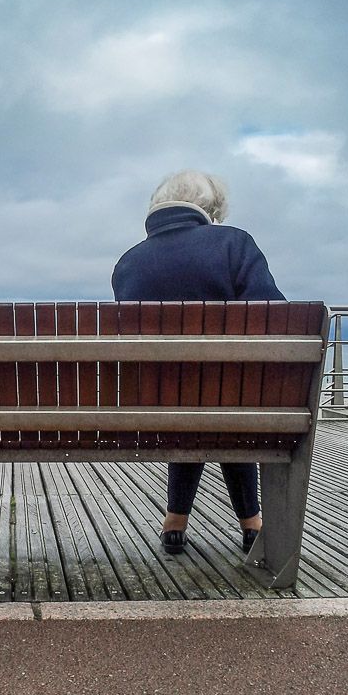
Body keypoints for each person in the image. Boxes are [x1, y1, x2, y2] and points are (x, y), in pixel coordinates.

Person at [111, 169, 286, 556]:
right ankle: (251, 524)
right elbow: (276, 318)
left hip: (156, 409)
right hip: (232, 403)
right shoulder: (233, 245)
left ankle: (175, 521)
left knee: (187, 394)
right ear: (212, 209)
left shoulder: (128, 263)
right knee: (226, 397)